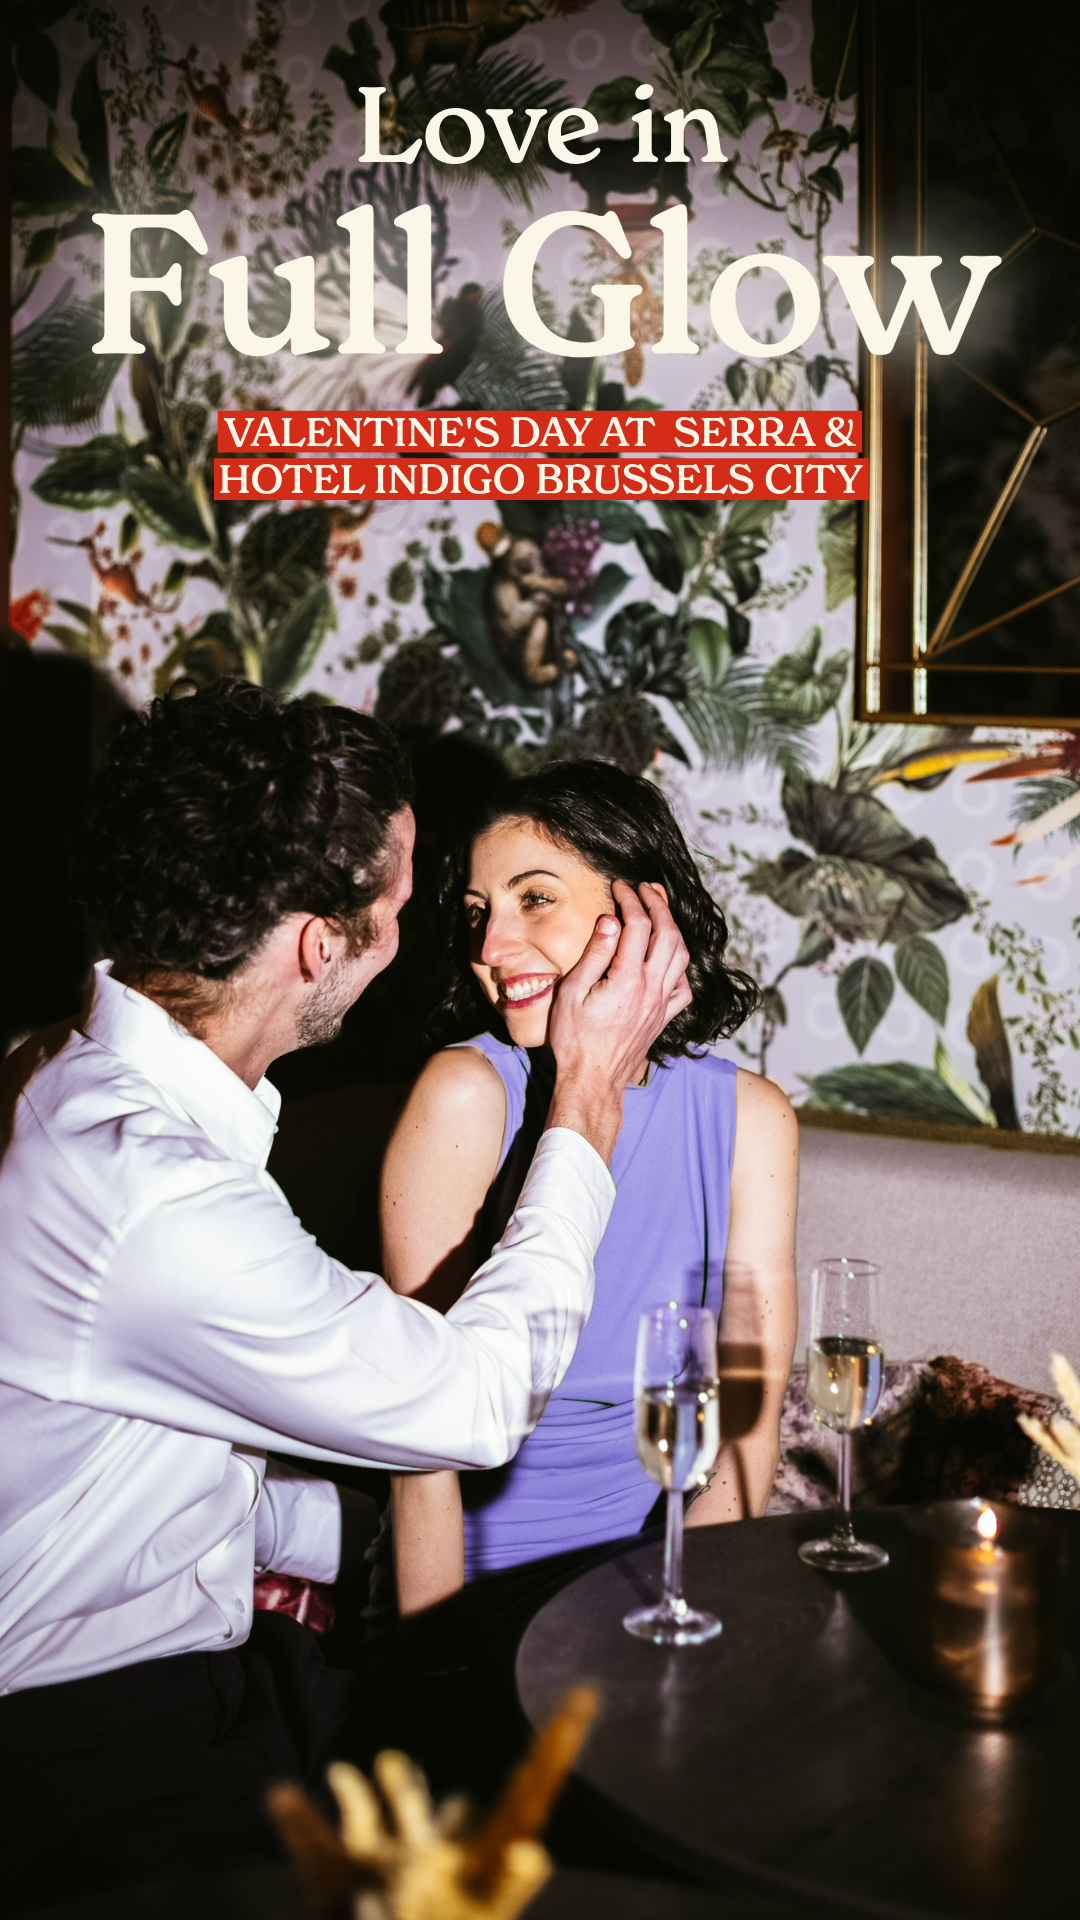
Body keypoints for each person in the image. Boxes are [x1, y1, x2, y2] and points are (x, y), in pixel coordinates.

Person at [0, 682, 690, 1906]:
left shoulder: (64, 1069)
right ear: (323, 945)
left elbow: (122, 1468)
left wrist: (341, 1542)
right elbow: (474, 1405)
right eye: (413, 908)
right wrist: (587, 1097)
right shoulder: (155, 1198)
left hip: (228, 1663)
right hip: (88, 1736)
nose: (448, 941)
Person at [378, 760, 798, 1672]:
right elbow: (418, 1447)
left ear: (643, 916)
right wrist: (436, 1676)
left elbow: (747, 1423)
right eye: (478, 912)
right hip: (484, 1600)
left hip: (665, 1582)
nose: (493, 945)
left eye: (535, 900)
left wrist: (689, 1618)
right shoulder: (464, 1097)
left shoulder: (751, 1119)